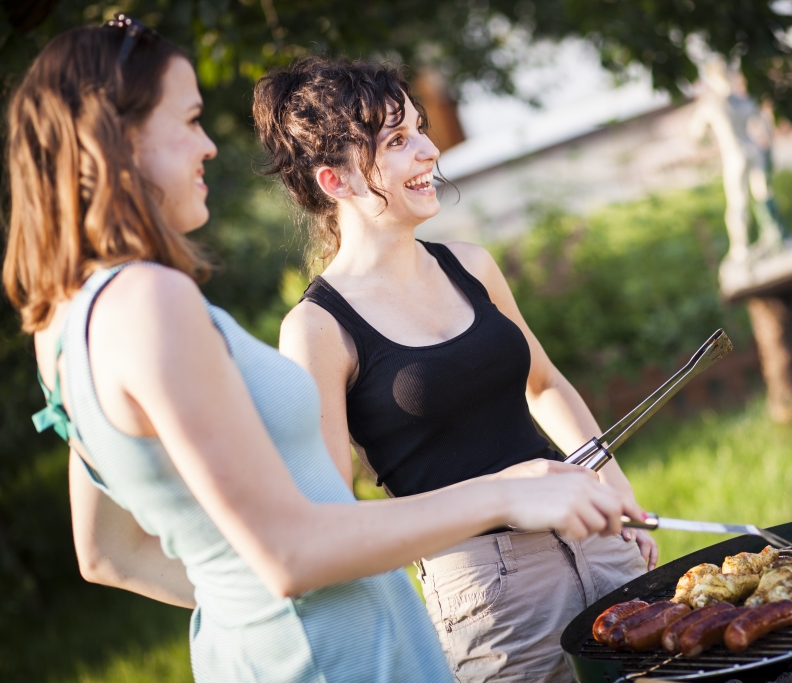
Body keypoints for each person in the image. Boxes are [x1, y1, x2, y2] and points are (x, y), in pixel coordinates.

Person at [3, 19, 642, 683]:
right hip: (336, 655)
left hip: (316, 639)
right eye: (190, 119)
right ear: (118, 138)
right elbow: (294, 548)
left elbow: (108, 553)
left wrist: (243, 597)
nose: (211, 145)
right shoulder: (152, 301)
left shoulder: (63, 322)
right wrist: (504, 496)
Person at [256, 57, 659, 683]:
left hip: (598, 538)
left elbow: (544, 383)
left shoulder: (472, 265)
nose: (429, 150)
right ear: (335, 182)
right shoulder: (314, 331)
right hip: (487, 592)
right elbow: (334, 517)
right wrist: (500, 495)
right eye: (397, 141)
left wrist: (612, 484)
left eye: (418, 129)